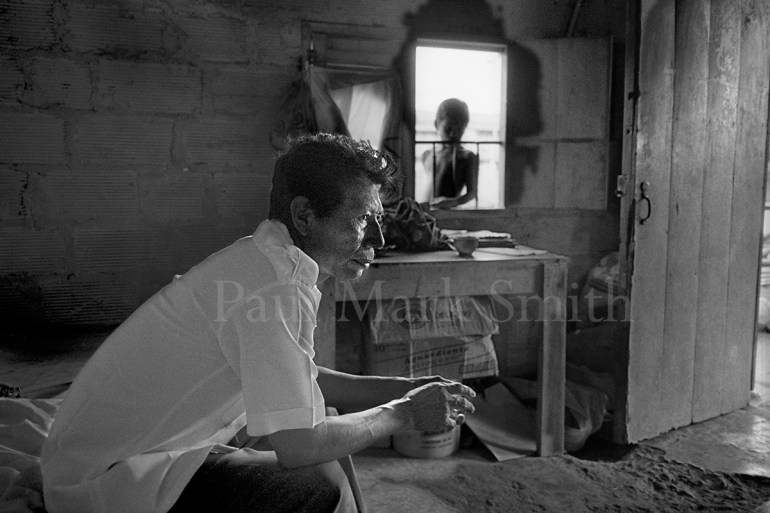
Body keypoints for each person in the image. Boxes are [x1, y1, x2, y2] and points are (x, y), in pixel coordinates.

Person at [40, 133, 476, 513]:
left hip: (107, 456)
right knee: (319, 483)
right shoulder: (273, 287)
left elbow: (302, 376)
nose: (378, 239)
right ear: (304, 215)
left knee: (316, 416)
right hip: (103, 483)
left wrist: (404, 388)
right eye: (363, 219)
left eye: (378, 220)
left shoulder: (265, 260)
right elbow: (299, 444)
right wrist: (403, 414)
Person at [421, 98, 479, 209]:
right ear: (436, 125)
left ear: (465, 128)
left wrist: (452, 202)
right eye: (448, 128)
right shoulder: (426, 155)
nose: (453, 134)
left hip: (451, 214)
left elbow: (472, 193)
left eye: (459, 129)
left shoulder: (467, 156)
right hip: (426, 214)